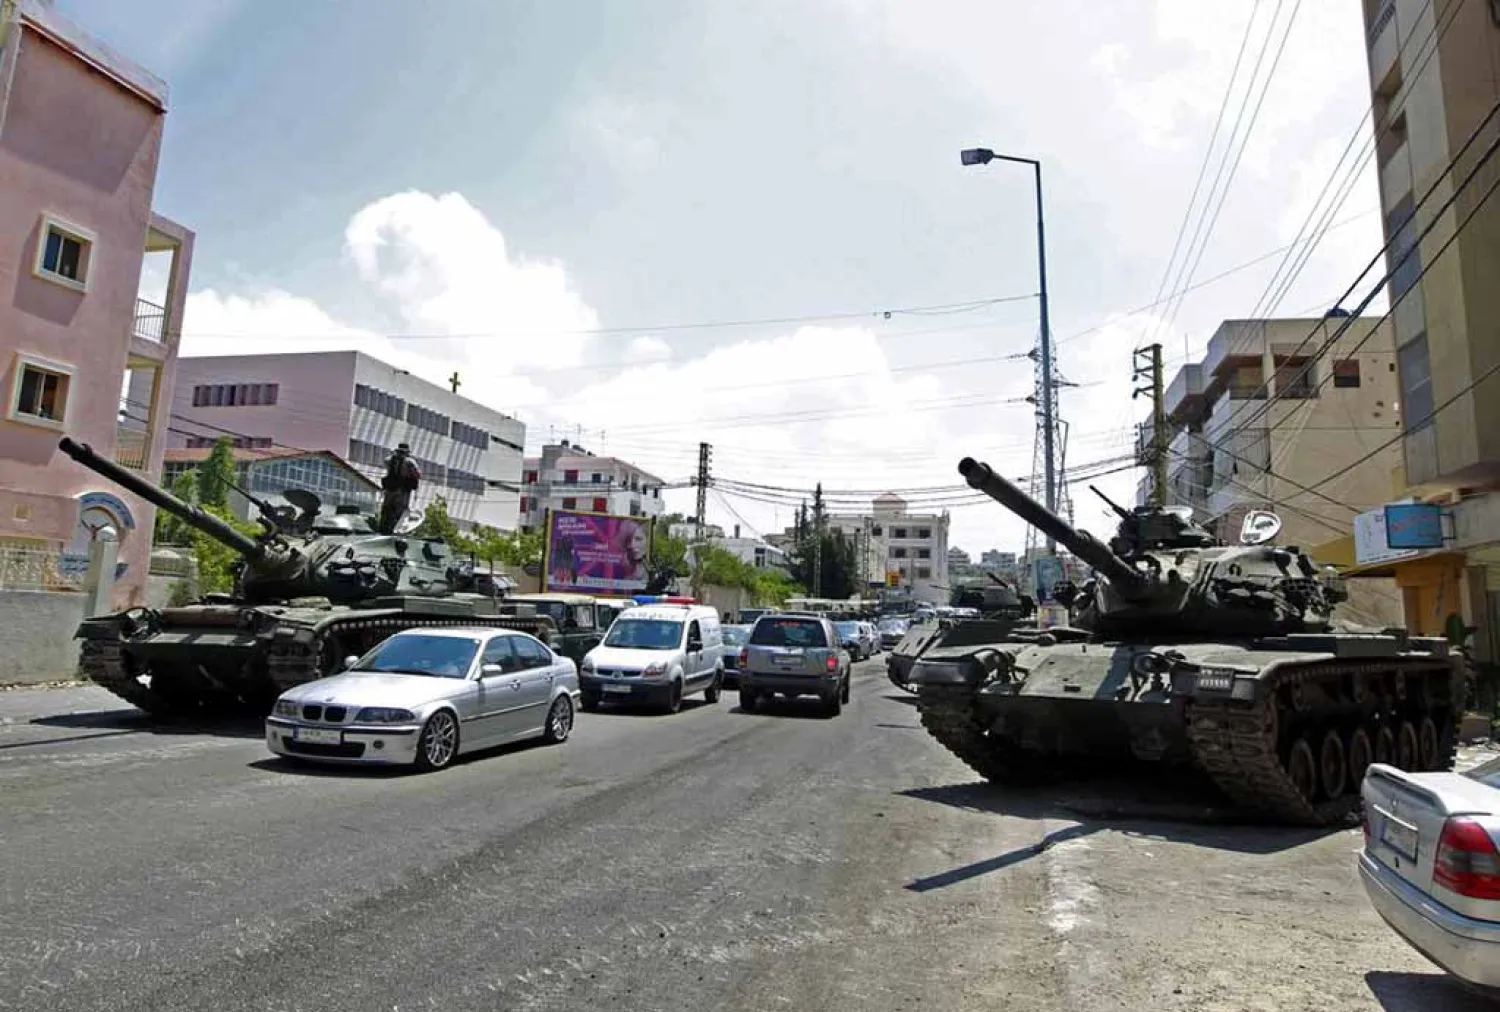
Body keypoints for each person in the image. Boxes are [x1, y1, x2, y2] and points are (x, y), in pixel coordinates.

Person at [377, 443, 421, 534]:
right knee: (400, 511)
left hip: (390, 489)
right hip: (402, 490)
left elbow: (385, 463)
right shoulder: (410, 462)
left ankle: (383, 528)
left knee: (387, 509)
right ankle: (395, 529)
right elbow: (417, 474)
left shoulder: (390, 460)